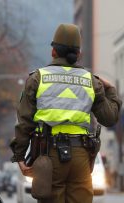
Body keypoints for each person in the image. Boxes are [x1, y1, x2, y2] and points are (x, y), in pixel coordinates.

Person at [10, 24, 122, 203]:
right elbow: (109, 118)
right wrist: (111, 90)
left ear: (53, 52)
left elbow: (25, 122)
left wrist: (20, 156)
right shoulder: (91, 81)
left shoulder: (38, 78)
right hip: (82, 156)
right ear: (78, 54)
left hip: (49, 155)